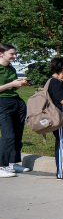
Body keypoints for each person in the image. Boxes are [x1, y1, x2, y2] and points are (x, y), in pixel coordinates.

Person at [0, 43, 30, 178]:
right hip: (2, 103)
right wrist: (12, 84)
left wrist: (19, 84)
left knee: (18, 134)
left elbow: (11, 88)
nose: (15, 56)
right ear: (1, 53)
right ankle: (1, 165)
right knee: (8, 136)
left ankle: (13, 163)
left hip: (16, 102)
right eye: (12, 53)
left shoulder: (11, 68)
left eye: (15, 53)